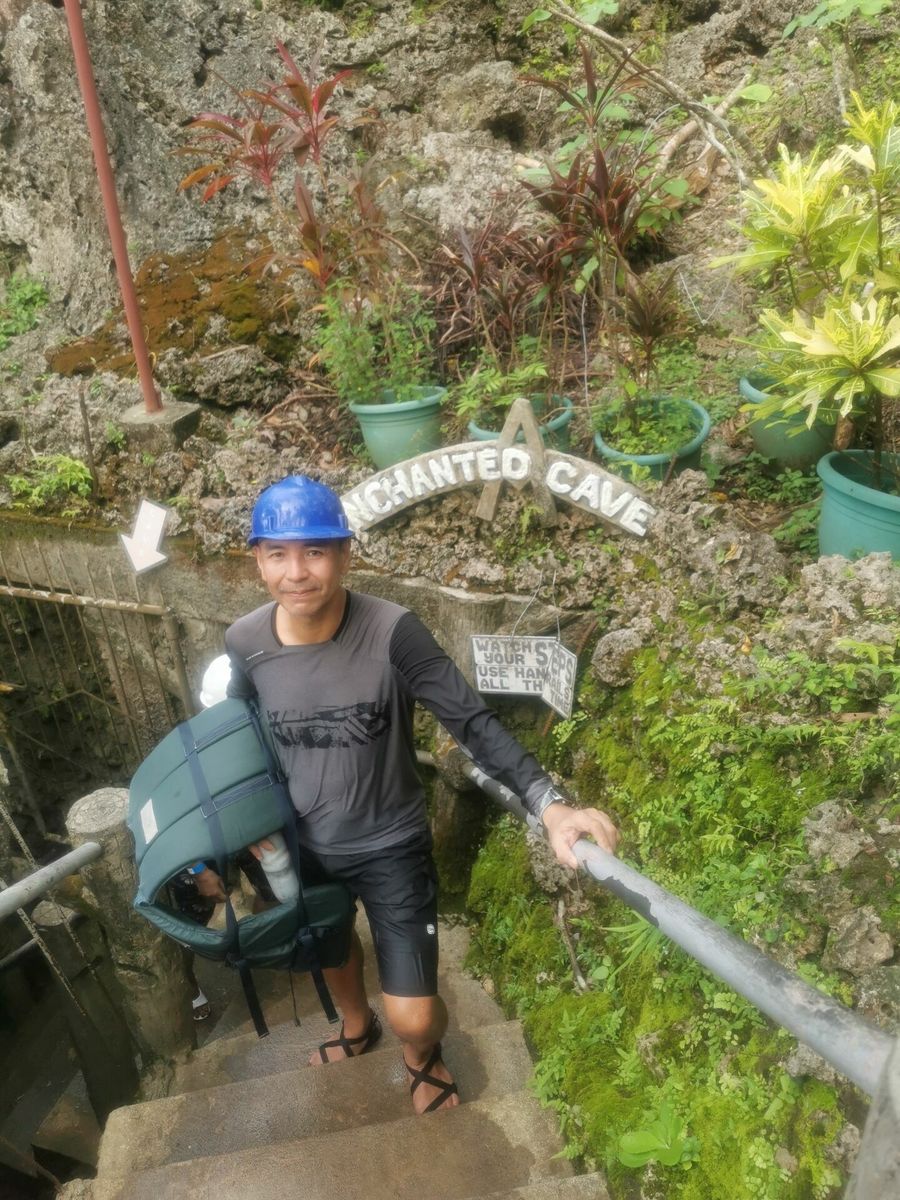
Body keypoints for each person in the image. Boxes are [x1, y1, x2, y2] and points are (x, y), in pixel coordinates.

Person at [197, 474, 619, 1115]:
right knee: (331, 946)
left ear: (345, 554)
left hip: (391, 845)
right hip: (301, 845)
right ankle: (355, 1024)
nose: (296, 572)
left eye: (315, 551)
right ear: (257, 559)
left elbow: (470, 721)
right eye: (277, 553)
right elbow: (237, 735)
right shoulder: (245, 642)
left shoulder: (393, 632)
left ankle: (422, 1053)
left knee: (415, 1017)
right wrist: (224, 840)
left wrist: (549, 803)